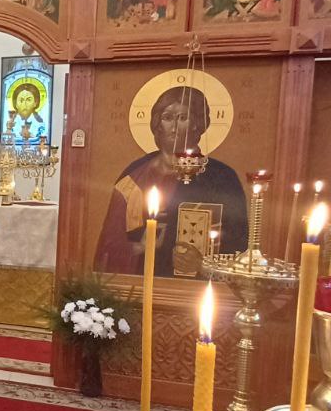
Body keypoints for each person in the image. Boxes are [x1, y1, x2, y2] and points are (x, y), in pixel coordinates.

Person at [94, 86, 248, 278]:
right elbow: (109, 245)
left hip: (193, 288)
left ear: (197, 124)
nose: (174, 127)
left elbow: (238, 245)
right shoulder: (135, 176)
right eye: (167, 118)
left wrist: (203, 264)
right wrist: (139, 247)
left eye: (183, 118)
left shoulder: (222, 178)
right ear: (158, 123)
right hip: (141, 282)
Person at [6, 81, 47, 146]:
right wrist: (9, 128)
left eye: (28, 100)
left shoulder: (40, 124)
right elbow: (6, 141)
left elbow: (42, 142)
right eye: (21, 100)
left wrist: (30, 135)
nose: (24, 104)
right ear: (15, 103)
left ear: (35, 103)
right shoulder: (10, 124)